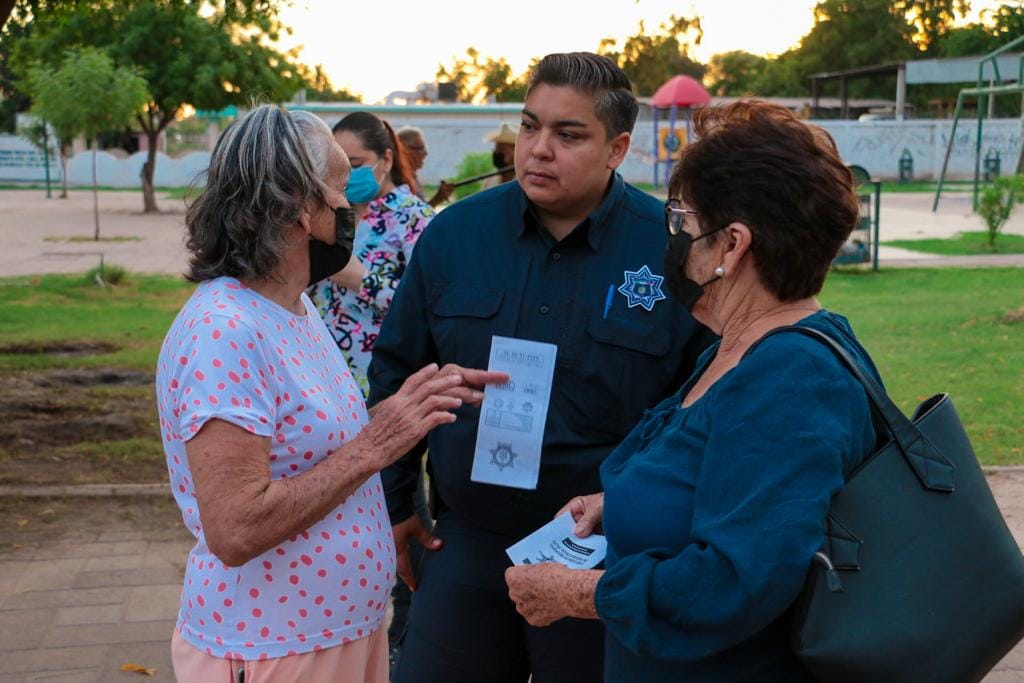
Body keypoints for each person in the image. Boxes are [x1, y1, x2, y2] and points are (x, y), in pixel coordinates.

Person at [504, 100, 882, 682]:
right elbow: (719, 477)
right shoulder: (739, 347)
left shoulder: (790, 379)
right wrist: (618, 506)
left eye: (681, 221)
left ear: (731, 246)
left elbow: (735, 580)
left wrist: (579, 593)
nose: (672, 238)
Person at [368, 52, 714, 683]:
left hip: (601, 551)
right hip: (466, 537)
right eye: (530, 127)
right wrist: (398, 503)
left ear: (618, 148)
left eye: (568, 133)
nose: (539, 149)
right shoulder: (454, 239)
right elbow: (396, 375)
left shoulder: (672, 253)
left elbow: (702, 406)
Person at [155, 104, 505, 682]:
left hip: (333, 636)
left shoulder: (293, 307)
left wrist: (408, 407)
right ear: (297, 204)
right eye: (343, 189)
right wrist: (376, 443)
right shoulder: (224, 330)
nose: (356, 208)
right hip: (274, 649)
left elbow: (315, 449)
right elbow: (237, 528)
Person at [307, 112, 434, 397]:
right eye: (338, 166)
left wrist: (363, 281)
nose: (347, 176)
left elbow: (429, 306)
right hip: (319, 375)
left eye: (356, 165)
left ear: (386, 160)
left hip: (381, 381)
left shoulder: (414, 218)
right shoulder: (331, 213)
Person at [396, 126, 454, 207]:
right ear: (402, 149)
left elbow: (421, 214)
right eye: (419, 148)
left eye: (424, 148)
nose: (425, 153)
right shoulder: (398, 181)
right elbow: (414, 217)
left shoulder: (412, 177)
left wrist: (437, 199)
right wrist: (437, 199)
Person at [480, 122, 518, 190]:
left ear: (515, 152)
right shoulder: (490, 181)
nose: (496, 153)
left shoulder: (525, 182)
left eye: (502, 149)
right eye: (496, 149)